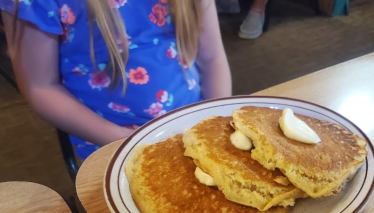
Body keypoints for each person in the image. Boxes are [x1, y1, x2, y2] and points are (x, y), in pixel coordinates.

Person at [0, 0, 231, 159]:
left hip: (196, 120)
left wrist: (214, 125)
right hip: (111, 141)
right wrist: (125, 141)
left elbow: (212, 59)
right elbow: (41, 87)